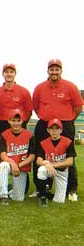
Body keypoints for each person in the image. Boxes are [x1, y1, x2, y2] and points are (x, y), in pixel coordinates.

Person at [32, 59, 83, 201]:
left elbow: (78, 106)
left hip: (65, 124)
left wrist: (69, 119)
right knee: (40, 155)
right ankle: (40, 188)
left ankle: (71, 190)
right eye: (52, 69)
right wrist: (45, 116)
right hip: (44, 124)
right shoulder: (40, 87)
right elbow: (35, 106)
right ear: (47, 70)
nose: (54, 72)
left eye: (57, 69)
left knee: (68, 157)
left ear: (61, 70)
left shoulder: (70, 86)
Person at [0, 63, 33, 192]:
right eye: (6, 72)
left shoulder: (23, 91)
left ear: (15, 74)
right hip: (2, 123)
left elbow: (28, 111)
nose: (9, 74)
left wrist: (20, 124)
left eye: (11, 71)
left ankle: (23, 185)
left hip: (18, 124)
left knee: (21, 153)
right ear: (3, 74)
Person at [0, 109, 35, 205]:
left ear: (23, 121)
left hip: (22, 166)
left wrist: (18, 165)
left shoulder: (29, 135)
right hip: (9, 164)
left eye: (18, 120)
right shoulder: (4, 135)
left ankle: (11, 190)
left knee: (19, 198)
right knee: (3, 166)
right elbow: (2, 154)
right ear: (9, 121)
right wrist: (13, 164)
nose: (16, 123)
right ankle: (4, 196)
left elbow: (32, 156)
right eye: (13, 120)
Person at [36, 119, 76, 207]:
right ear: (48, 130)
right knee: (42, 170)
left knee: (59, 201)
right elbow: (38, 161)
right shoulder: (43, 143)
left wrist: (52, 164)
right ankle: (43, 196)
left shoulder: (68, 142)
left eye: (57, 128)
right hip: (48, 170)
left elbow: (70, 162)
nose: (54, 131)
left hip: (62, 171)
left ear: (61, 130)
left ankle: (48, 193)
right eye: (51, 128)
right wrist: (47, 164)